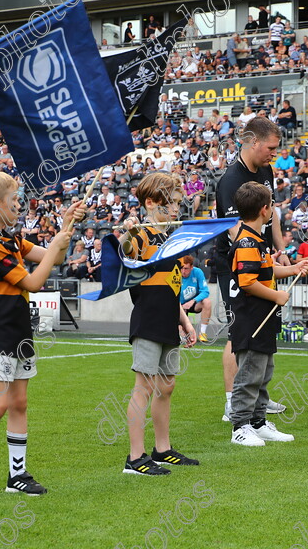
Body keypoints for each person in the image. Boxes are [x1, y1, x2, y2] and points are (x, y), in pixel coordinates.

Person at [0, 170, 84, 502]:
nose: (19, 205)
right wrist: (55, 245)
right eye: (14, 201)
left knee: (20, 403)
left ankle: (17, 475)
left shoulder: (10, 237)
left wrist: (66, 227)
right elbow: (34, 282)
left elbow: (53, 257)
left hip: (19, 330)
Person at [118, 172, 198, 475]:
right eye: (171, 203)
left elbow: (172, 289)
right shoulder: (140, 234)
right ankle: (135, 459)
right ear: (150, 203)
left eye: (178, 203)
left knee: (167, 386)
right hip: (148, 320)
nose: (177, 209)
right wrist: (127, 233)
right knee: (144, 387)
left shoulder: (171, 242)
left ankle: (162, 450)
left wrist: (186, 324)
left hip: (168, 321)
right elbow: (125, 252)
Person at [215, 118, 288, 422]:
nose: (274, 153)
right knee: (240, 331)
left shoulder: (266, 170)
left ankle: (256, 397)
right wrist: (259, 258)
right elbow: (236, 231)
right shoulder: (231, 179)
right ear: (254, 142)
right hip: (237, 262)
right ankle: (233, 401)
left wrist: (279, 250)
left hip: (262, 256)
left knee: (262, 328)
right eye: (270, 147)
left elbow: (272, 213)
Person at [228, 182, 308, 446]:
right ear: (265, 210)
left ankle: (258, 422)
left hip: (265, 318)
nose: (273, 209)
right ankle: (240, 426)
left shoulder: (257, 240)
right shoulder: (246, 241)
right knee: (250, 373)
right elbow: (247, 281)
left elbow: (268, 270)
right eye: (272, 204)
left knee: (264, 372)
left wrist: (295, 268)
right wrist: (276, 295)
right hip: (251, 318)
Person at [179, 255, 212, 342]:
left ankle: (202, 333)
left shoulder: (198, 272)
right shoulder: (176, 273)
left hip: (194, 303)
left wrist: (193, 301)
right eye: (181, 268)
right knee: (184, 338)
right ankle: (181, 332)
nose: (183, 271)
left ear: (192, 267)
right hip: (179, 306)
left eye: (186, 268)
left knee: (207, 302)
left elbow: (205, 291)